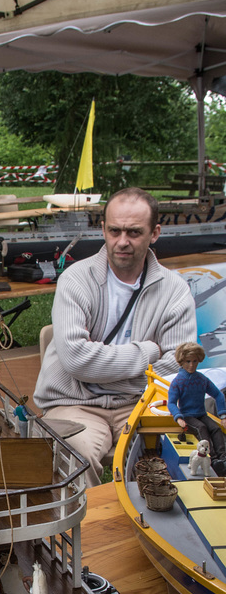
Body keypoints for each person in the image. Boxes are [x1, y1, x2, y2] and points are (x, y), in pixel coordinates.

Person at [34, 187, 196, 485]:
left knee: (181, 453)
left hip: (142, 401)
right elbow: (76, 359)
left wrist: (96, 372)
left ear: (155, 233)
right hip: (75, 403)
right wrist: (148, 353)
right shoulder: (75, 280)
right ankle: (89, 531)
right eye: (114, 230)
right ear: (103, 229)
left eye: (134, 232)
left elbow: (178, 365)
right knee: (71, 456)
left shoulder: (175, 290)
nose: (122, 241)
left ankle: (149, 528)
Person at [167, 342, 226, 462]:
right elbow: (171, 403)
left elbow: (218, 395)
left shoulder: (202, 379)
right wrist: (178, 417)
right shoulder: (177, 382)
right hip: (187, 416)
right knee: (201, 428)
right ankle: (212, 458)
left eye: (195, 361)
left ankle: (223, 457)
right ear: (181, 362)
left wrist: (223, 415)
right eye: (188, 361)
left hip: (201, 414)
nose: (192, 365)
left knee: (215, 428)